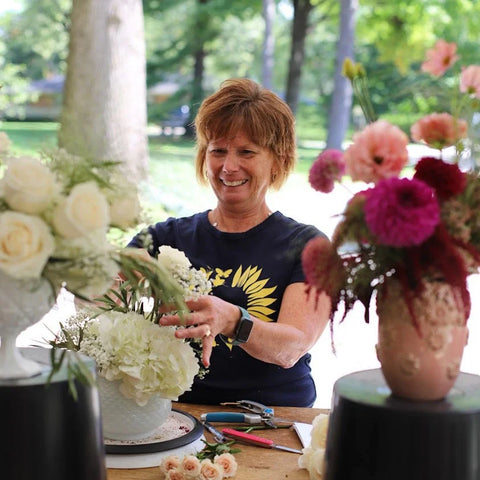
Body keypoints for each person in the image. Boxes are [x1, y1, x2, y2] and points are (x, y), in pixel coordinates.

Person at [128, 78, 331, 407]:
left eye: (246, 152)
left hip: (274, 419)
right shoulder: (164, 238)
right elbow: (98, 297)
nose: (228, 166)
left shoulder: (308, 246)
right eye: (218, 150)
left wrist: (233, 321)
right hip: (177, 413)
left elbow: (292, 347)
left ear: (277, 160)